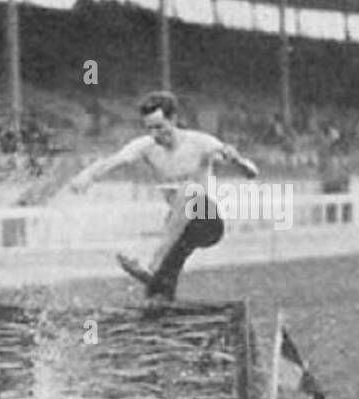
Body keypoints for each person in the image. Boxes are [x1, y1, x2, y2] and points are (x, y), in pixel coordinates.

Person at [67, 90, 260, 300]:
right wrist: (87, 176)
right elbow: (115, 161)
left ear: (174, 119)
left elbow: (252, 172)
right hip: (179, 226)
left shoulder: (200, 143)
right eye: (150, 128)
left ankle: (154, 263)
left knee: (188, 189)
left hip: (207, 221)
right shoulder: (147, 146)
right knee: (160, 285)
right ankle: (158, 299)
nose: (156, 135)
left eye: (160, 127)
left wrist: (238, 162)